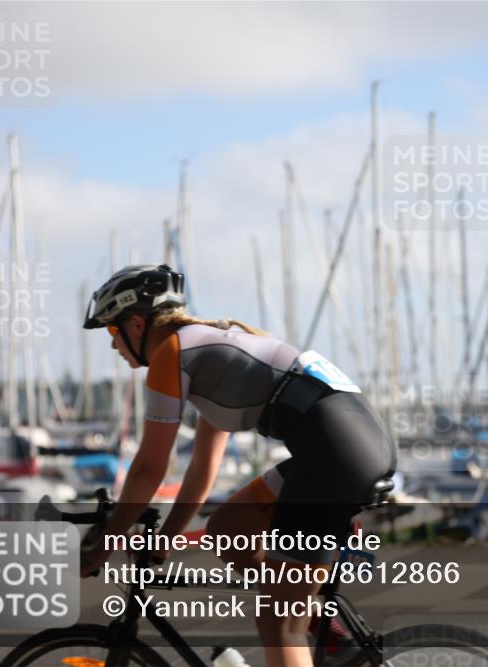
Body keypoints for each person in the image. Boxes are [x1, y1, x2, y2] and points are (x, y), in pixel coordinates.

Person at [79, 263, 396, 667]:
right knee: (230, 527)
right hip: (349, 448)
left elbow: (148, 469)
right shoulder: (211, 350)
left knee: (278, 622)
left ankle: (304, 620)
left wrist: (103, 546)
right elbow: (203, 468)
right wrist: (167, 539)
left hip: (334, 458)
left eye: (112, 329)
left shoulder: (172, 354)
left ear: (137, 324)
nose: (113, 344)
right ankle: (324, 628)